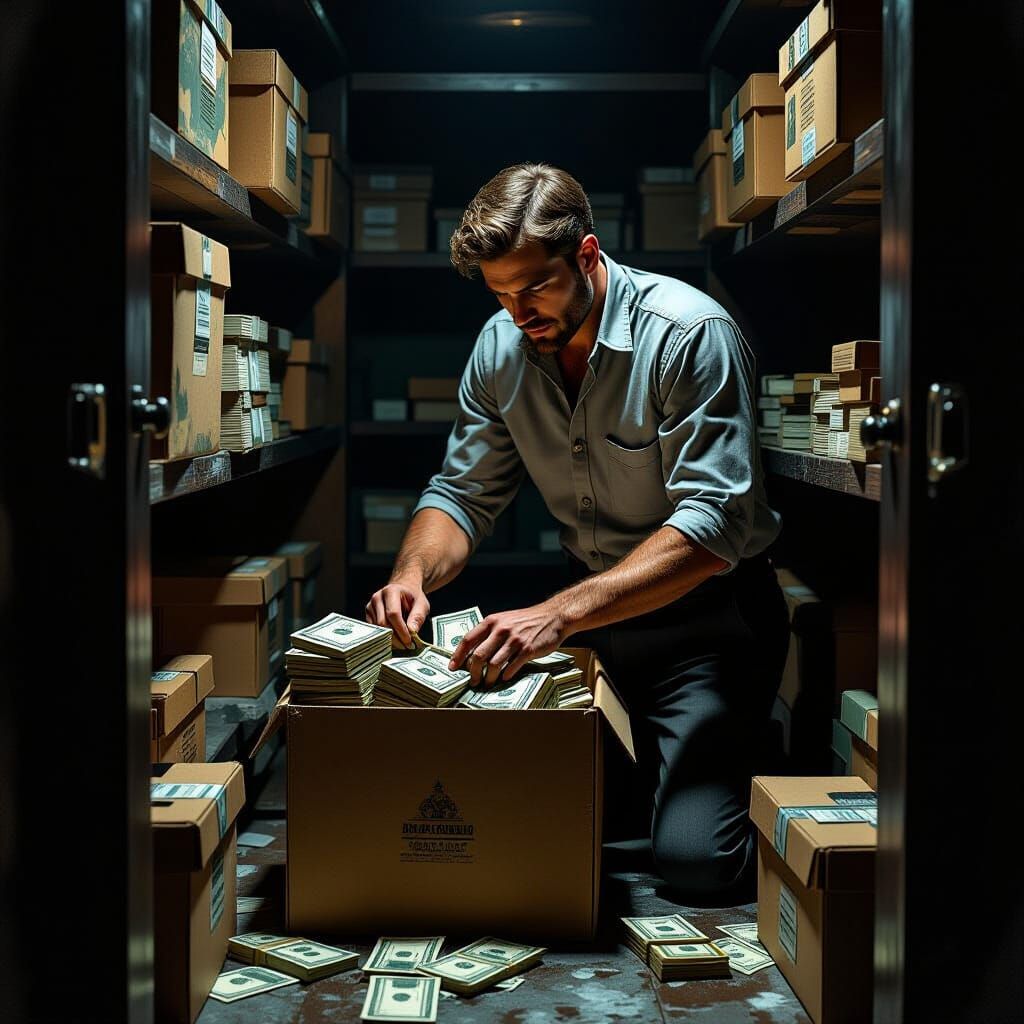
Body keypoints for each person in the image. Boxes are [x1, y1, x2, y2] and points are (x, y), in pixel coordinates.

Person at [365, 163, 789, 903]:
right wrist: (411, 577)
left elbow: (714, 526)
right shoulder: (501, 348)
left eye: (534, 287)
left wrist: (557, 614)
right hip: (597, 637)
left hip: (708, 631)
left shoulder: (690, 334)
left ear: (587, 255)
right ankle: (664, 775)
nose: (517, 312)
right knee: (522, 821)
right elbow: (462, 494)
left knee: (694, 864)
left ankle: (754, 750)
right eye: (500, 293)